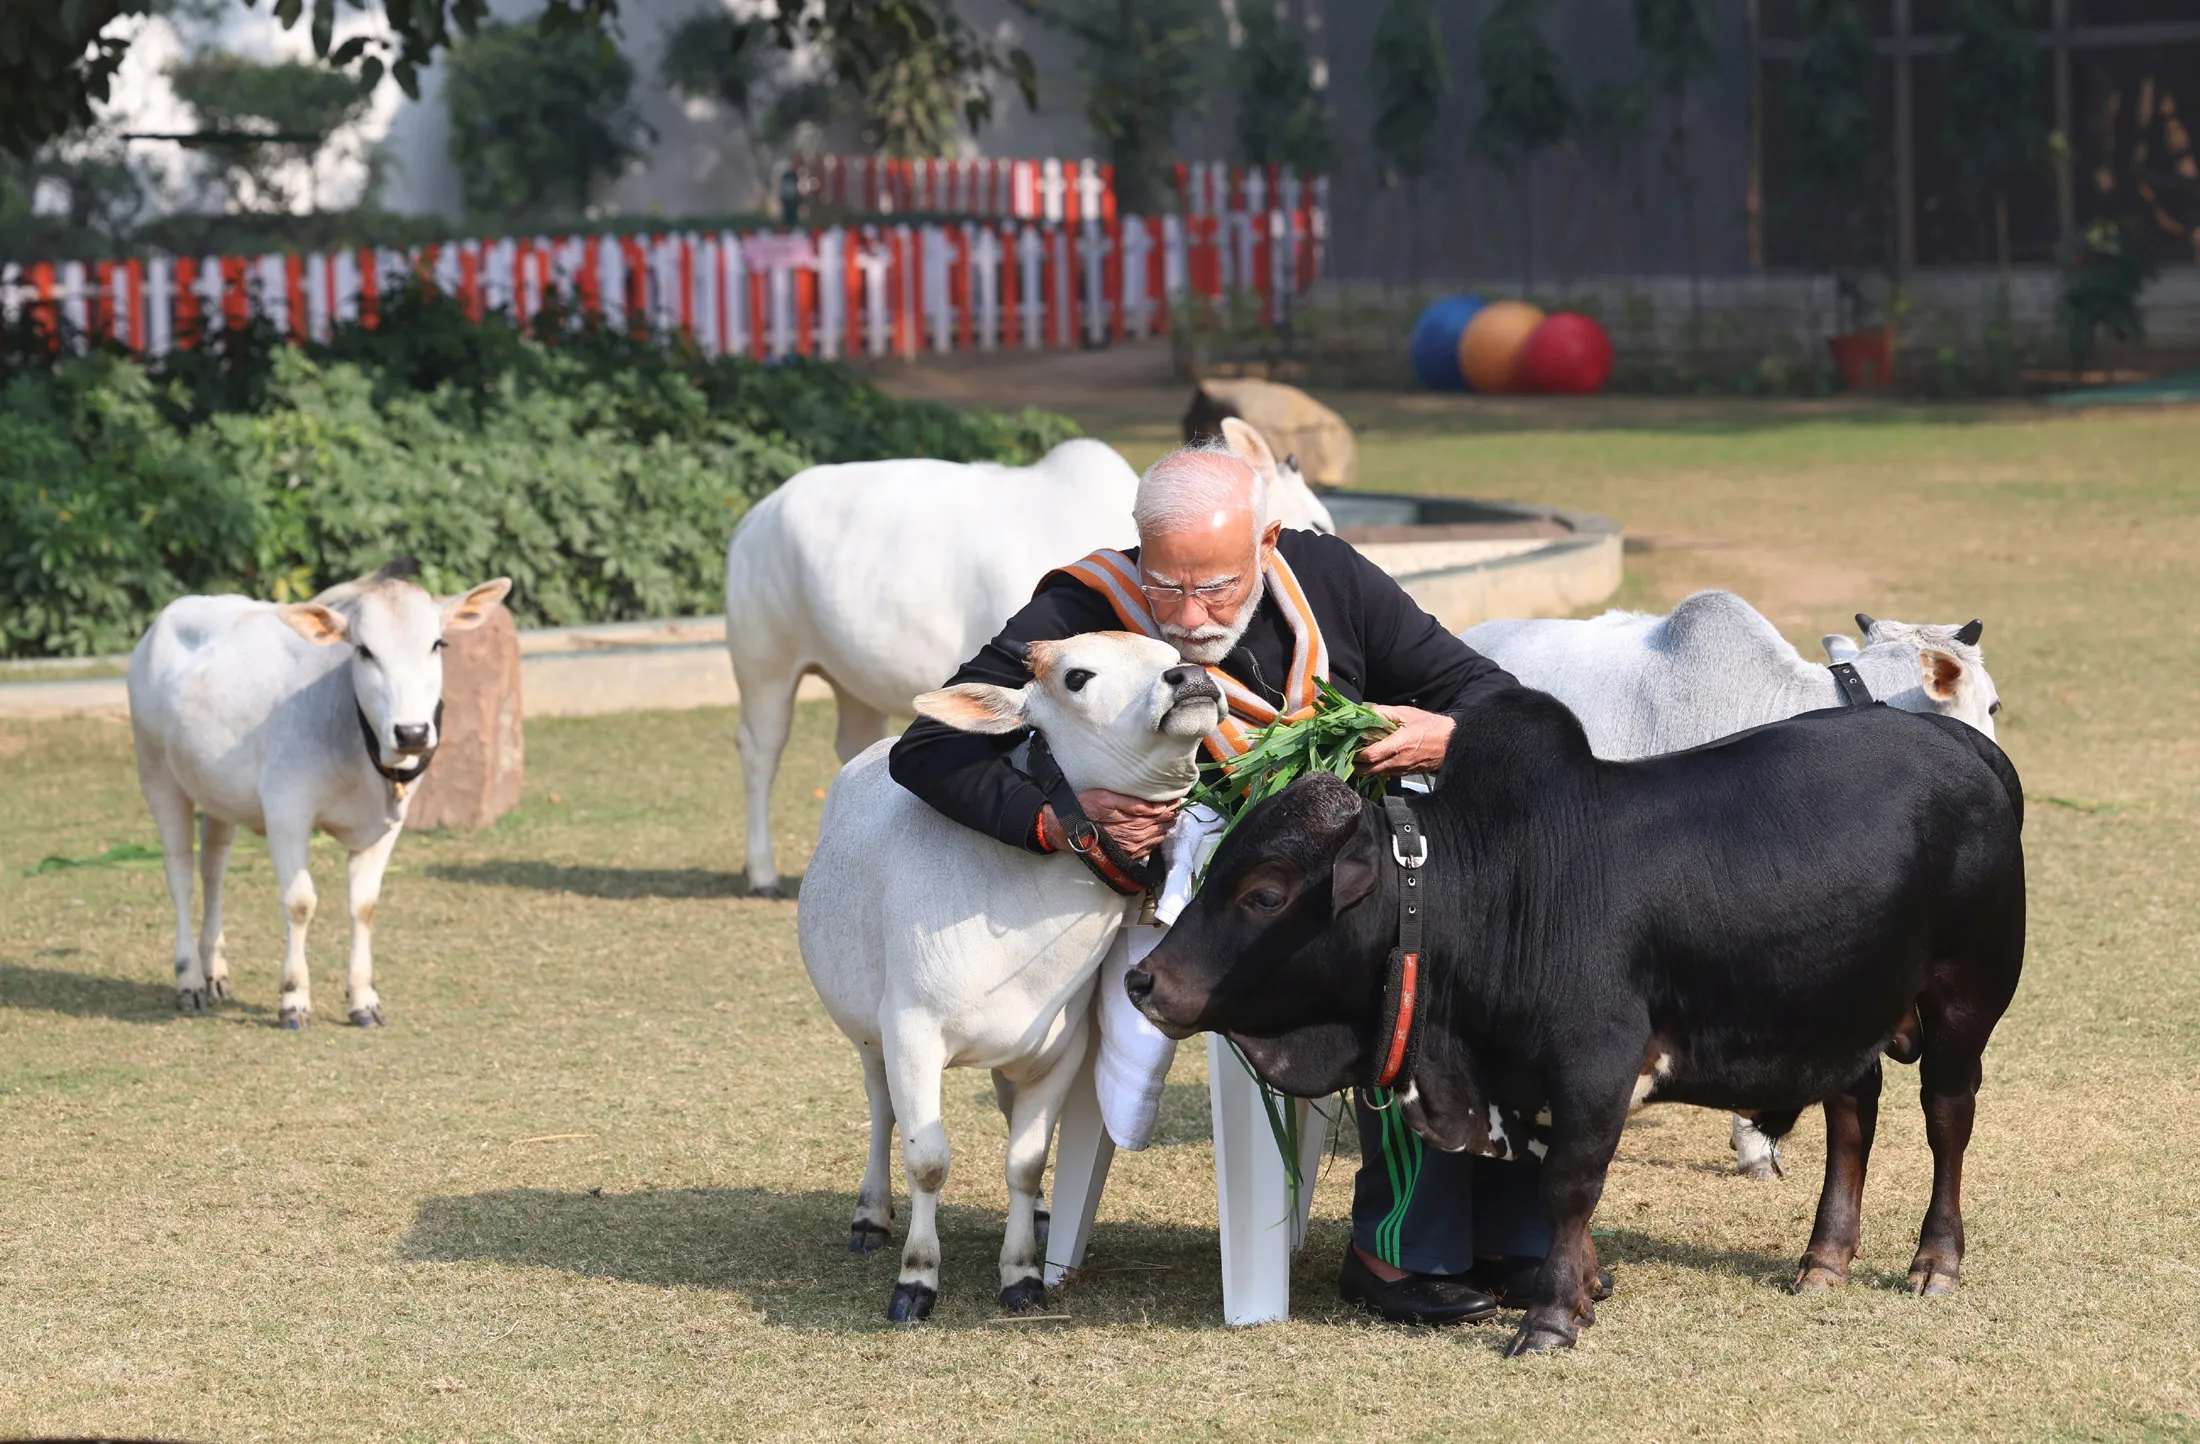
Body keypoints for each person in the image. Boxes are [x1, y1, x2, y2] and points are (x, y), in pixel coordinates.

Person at [890, 441, 1590, 1324]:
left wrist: (1447, 736)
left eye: (1217, 587)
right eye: (1166, 585)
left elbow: (1486, 693)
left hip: (1341, 882)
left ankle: (1506, 1234)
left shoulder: (1327, 580)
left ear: (1267, 543)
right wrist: (1063, 818)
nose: (1187, 617)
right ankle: (1399, 1249)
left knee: (1492, 940)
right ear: (1139, 553)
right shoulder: (1082, 603)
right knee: (1406, 957)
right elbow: (932, 745)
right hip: (1208, 911)